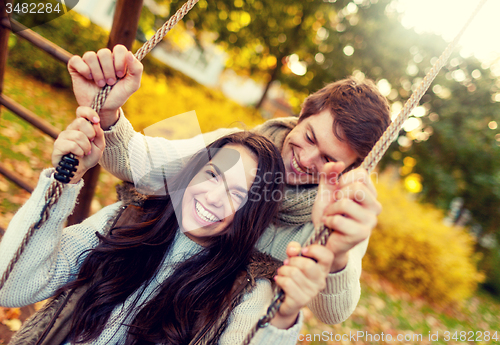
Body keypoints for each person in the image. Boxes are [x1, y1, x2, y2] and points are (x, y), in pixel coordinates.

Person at [67, 45, 392, 324]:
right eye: (309, 137)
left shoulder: (338, 212)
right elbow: (144, 164)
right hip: (149, 302)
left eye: (327, 159)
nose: (307, 159)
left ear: (350, 167)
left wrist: (336, 255)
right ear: (302, 115)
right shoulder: (238, 146)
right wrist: (107, 115)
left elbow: (333, 313)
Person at [0, 108, 331, 344]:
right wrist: (62, 182)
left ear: (250, 216)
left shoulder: (244, 294)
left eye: (236, 195)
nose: (213, 197)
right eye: (213, 176)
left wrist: (283, 320)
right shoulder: (126, 220)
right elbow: (11, 285)